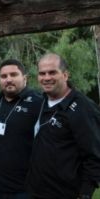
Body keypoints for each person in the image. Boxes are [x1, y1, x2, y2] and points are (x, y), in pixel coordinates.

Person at [27, 53, 100, 199]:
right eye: (42, 73)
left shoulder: (83, 107)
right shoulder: (41, 101)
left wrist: (85, 193)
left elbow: (95, 155)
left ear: (65, 75)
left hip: (65, 193)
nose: (46, 78)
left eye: (52, 72)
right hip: (36, 191)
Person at [0, 59, 43, 199]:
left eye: (13, 74)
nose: (8, 79)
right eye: (4, 76)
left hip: (24, 188)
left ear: (24, 78)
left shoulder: (39, 103)